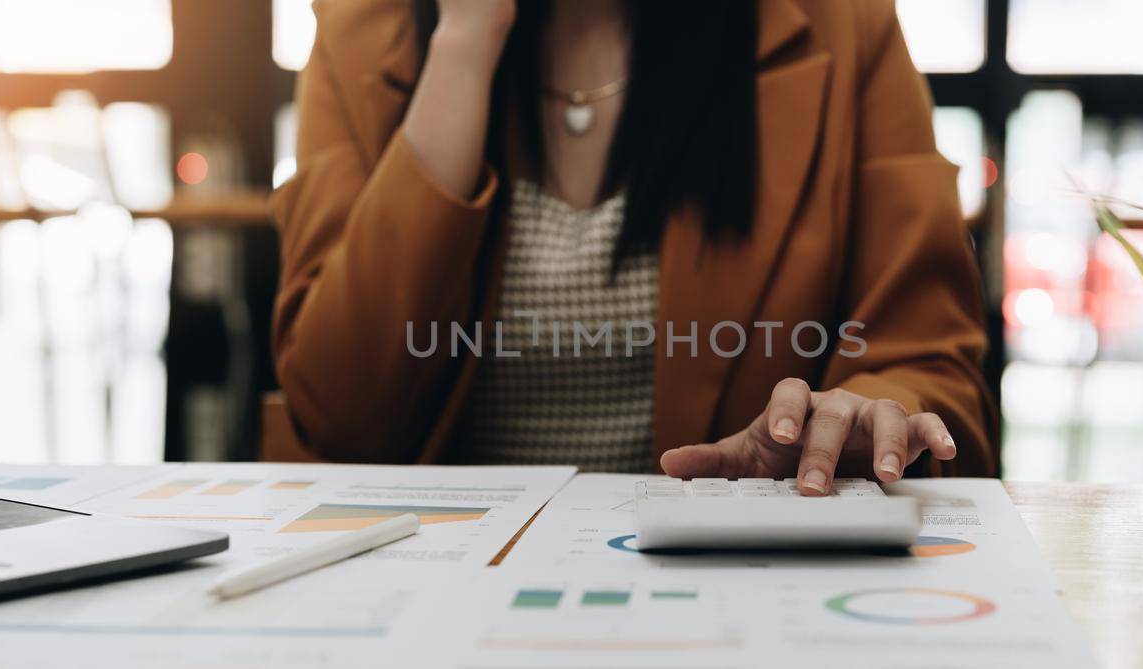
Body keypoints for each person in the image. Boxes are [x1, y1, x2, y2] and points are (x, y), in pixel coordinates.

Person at [270, 0, 996, 495]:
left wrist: (864, 417)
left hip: (735, 600)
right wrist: (464, 39)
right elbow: (339, 414)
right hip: (437, 595)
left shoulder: (836, 21)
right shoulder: (362, 29)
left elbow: (927, 360)